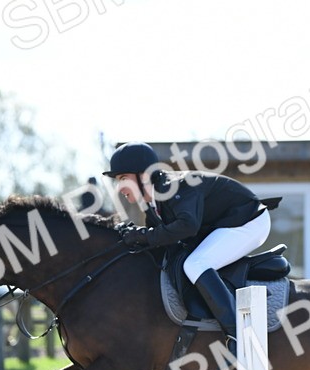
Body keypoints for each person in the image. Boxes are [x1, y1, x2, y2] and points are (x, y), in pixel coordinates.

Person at [104, 142, 272, 353]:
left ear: (143, 175)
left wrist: (143, 235)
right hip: (227, 224)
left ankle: (238, 334)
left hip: (248, 221)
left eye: (123, 178)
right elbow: (159, 243)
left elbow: (187, 226)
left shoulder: (177, 186)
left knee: (196, 264)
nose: (119, 187)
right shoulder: (152, 203)